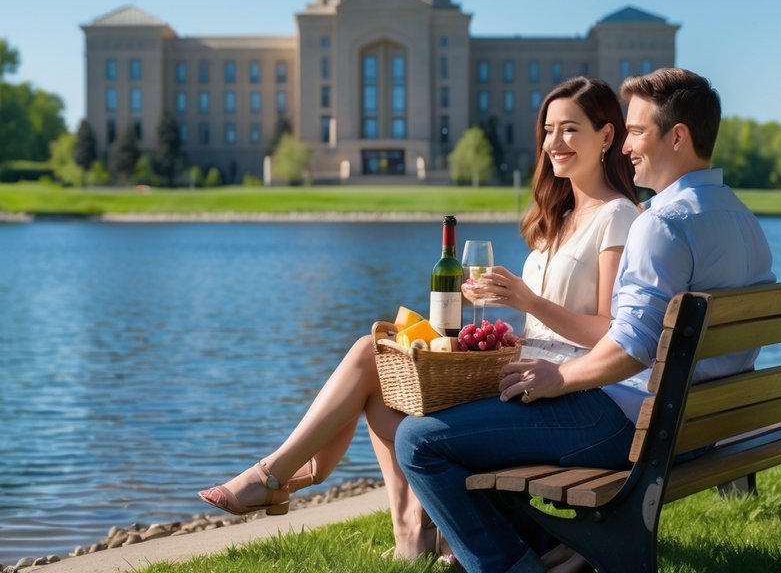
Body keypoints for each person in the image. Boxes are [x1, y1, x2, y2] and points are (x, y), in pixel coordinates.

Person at [196, 76, 641, 560]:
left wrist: (528, 302)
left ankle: (277, 477)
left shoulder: (616, 216)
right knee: (384, 363)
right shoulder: (556, 217)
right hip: (526, 378)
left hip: (570, 394)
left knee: (397, 405)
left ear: (607, 136)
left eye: (570, 130)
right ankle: (401, 532)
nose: (555, 143)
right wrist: (507, 331)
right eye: (549, 130)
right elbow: (551, 325)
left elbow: (612, 330)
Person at [395, 67, 776, 573]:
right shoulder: (743, 219)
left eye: (637, 132)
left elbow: (631, 347)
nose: (626, 146)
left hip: (634, 424)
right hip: (703, 425)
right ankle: (542, 545)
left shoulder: (661, 224)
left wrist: (559, 377)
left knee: (418, 440)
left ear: (677, 137)